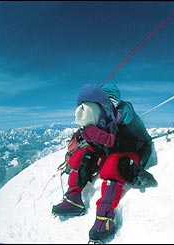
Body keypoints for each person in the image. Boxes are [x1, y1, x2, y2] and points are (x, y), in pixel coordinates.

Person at [52, 83, 156, 242]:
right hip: (110, 149)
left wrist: (102, 137)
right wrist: (91, 138)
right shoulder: (103, 119)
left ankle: (105, 217)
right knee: (80, 157)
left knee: (112, 165)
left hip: (135, 150)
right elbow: (98, 144)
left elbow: (134, 142)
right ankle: (73, 199)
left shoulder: (125, 116)